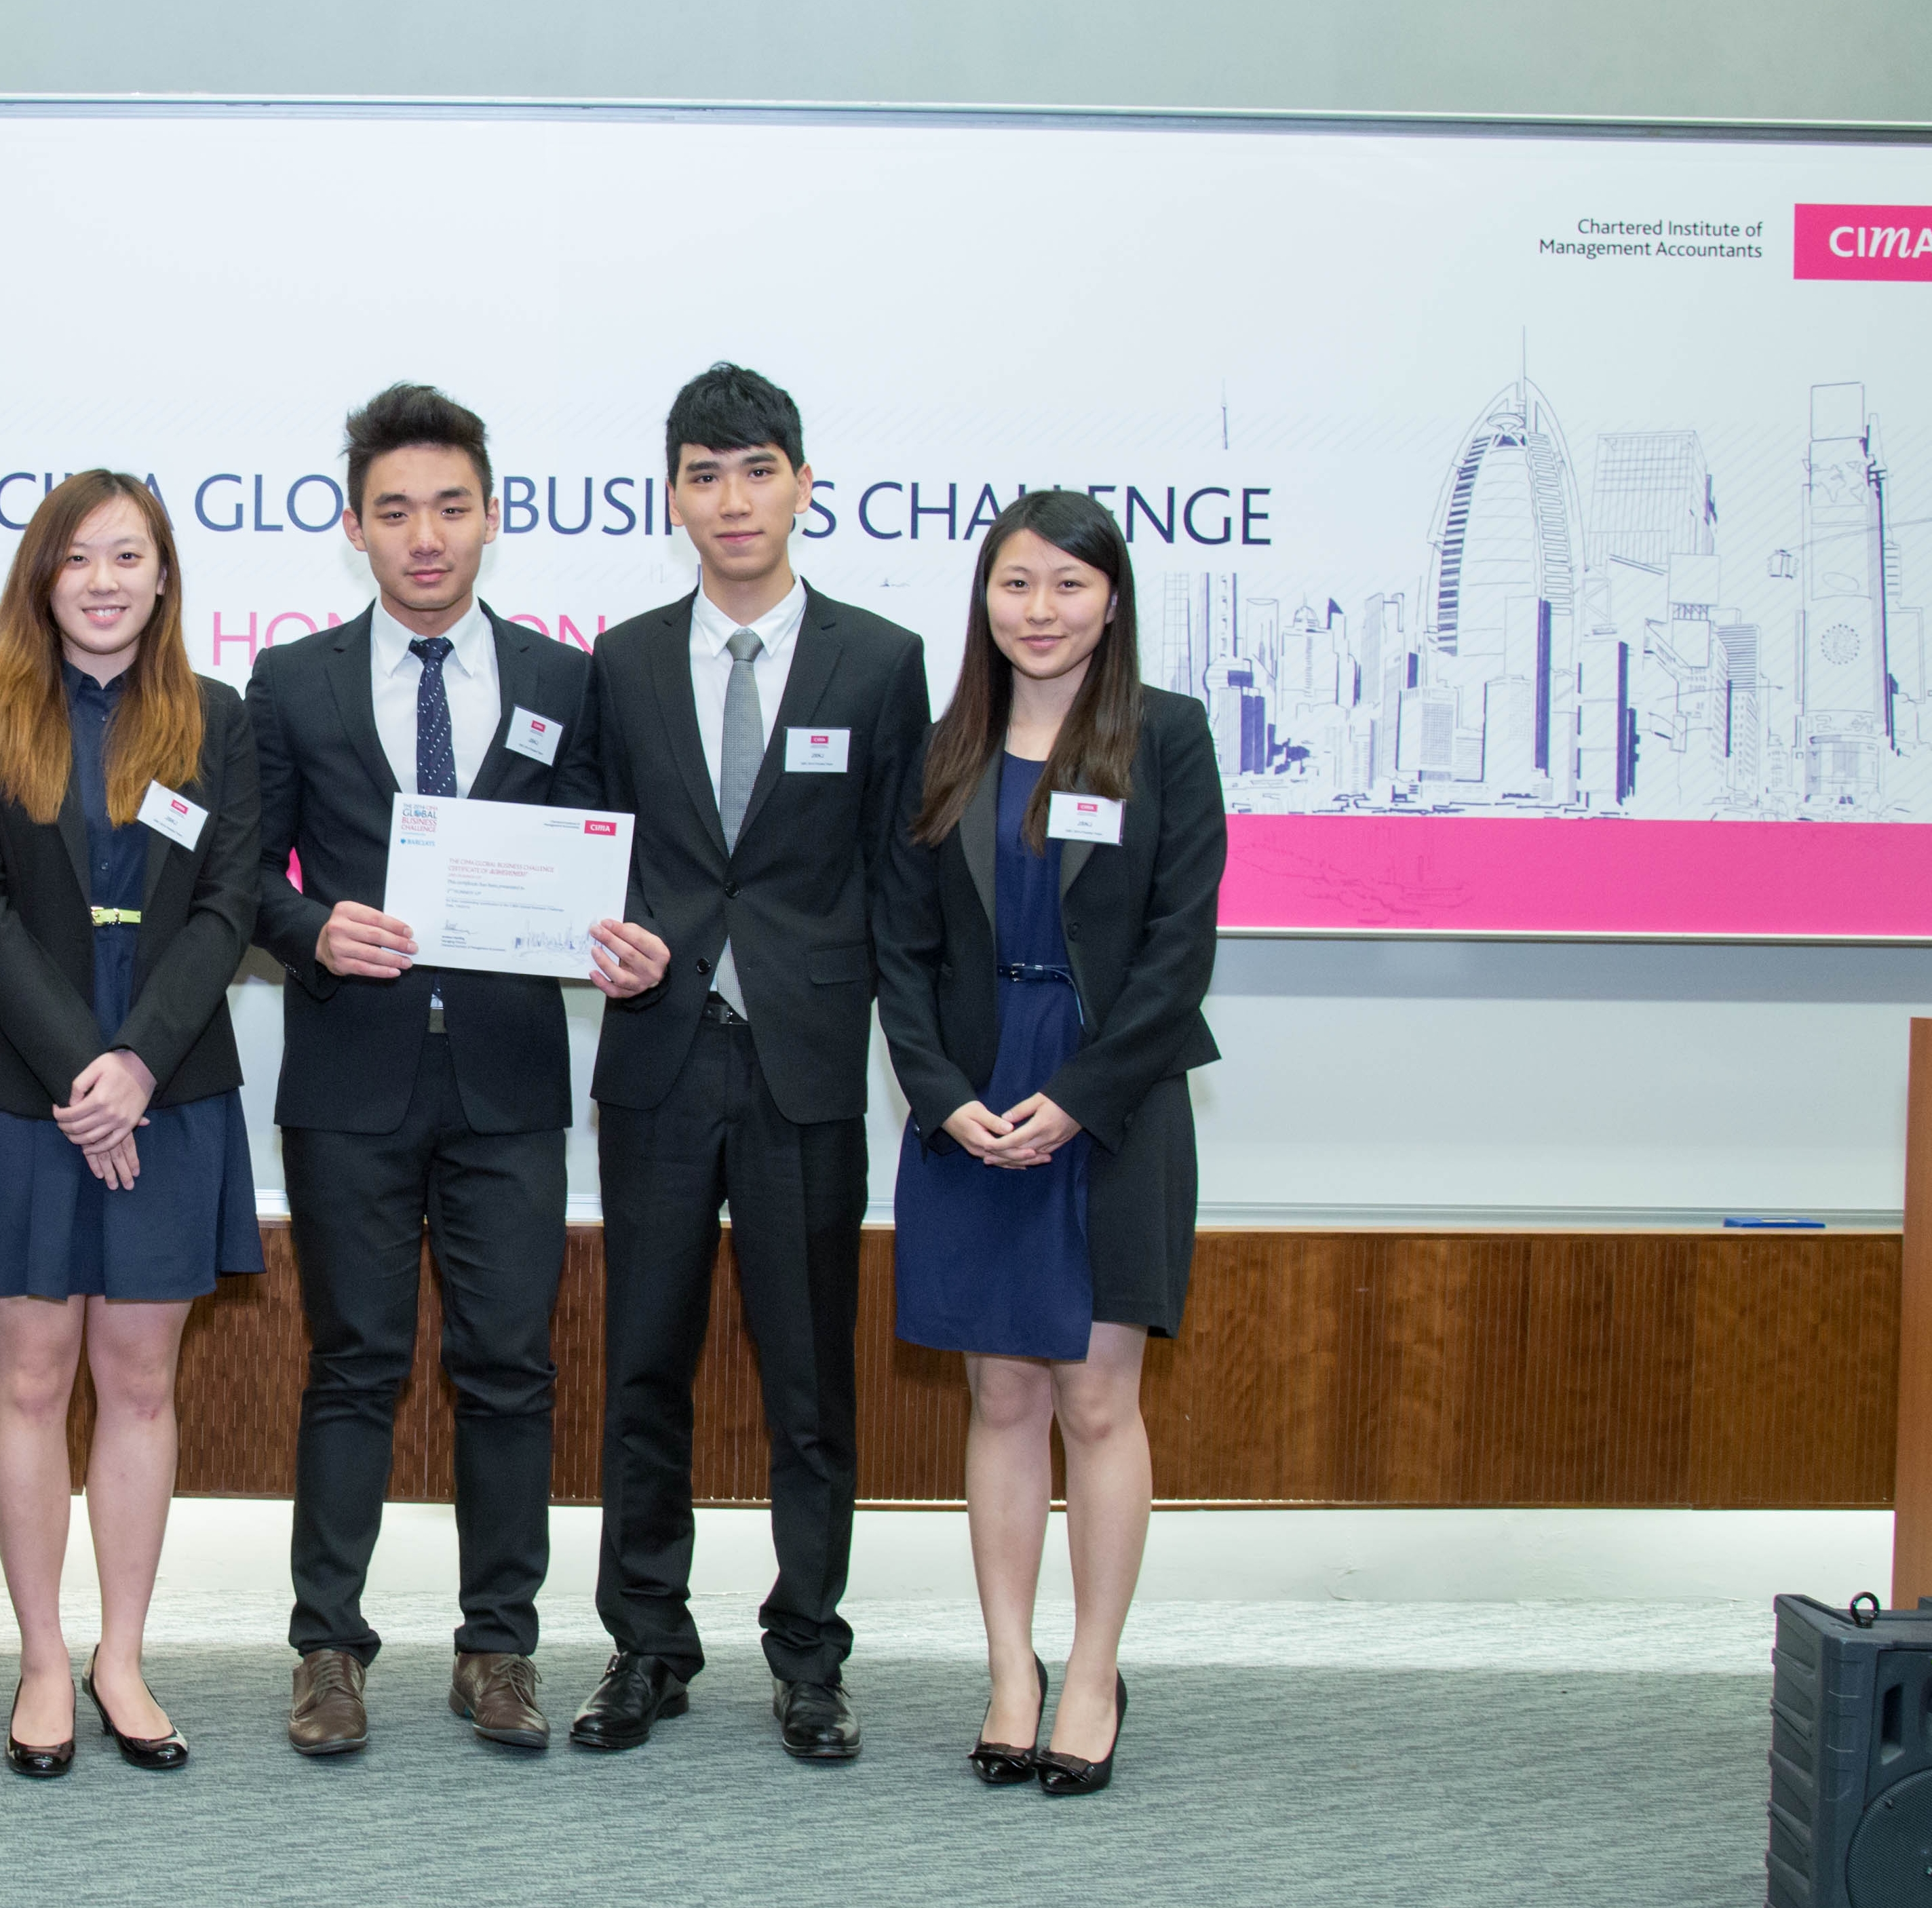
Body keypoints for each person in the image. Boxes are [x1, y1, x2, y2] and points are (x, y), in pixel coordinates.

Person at [248, 383, 663, 1757]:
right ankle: (329, 1649)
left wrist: (613, 936)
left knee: (509, 1368)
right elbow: (244, 876)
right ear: (355, 527)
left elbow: (605, 854)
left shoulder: (562, 681)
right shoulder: (294, 682)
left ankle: (500, 1647)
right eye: (394, 512)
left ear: (491, 516)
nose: (424, 536)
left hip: (506, 1082)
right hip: (351, 1079)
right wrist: (313, 926)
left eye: (450, 507)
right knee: (351, 1365)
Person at [573, 364, 929, 1760]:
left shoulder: (881, 661)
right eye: (705, 475)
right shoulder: (624, 658)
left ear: (801, 484)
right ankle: (646, 1645)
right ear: (673, 495)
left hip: (804, 1072)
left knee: (808, 1379)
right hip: (658, 1064)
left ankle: (810, 1654)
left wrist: (929, 1073)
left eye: (759, 470)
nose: (733, 499)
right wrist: (599, 941)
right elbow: (596, 856)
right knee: (643, 1369)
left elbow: (898, 884)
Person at [0, 471, 263, 1776]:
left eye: (130, 556)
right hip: (19, 1094)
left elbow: (229, 908)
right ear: (41, 578)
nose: (105, 580)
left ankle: (122, 1654)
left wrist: (138, 1067)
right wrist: (82, 1073)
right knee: (30, 1378)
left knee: (140, 1381)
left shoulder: (219, 719)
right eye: (78, 559)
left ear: (165, 575)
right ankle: (43, 1657)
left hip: (168, 1095)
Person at [875, 490, 1225, 1794]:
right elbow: (898, 952)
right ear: (985, 597)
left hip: (1112, 1101)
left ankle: (1092, 1670)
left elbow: (1181, 947)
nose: (1040, 611)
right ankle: (1010, 1666)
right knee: (1003, 1395)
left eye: (1069, 587)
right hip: (970, 1104)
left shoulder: (1168, 740)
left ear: (1113, 600)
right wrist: (939, 1091)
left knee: (1096, 1398)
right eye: (1017, 586)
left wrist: (1079, 1094)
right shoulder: (944, 748)